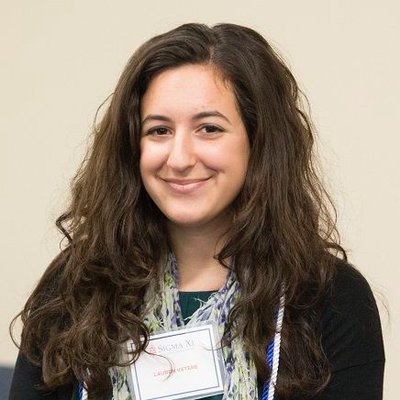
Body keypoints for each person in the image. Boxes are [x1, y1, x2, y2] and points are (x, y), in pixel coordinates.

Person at [9, 23, 384, 400]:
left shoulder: (331, 298)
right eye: (159, 130)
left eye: (208, 128)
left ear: (258, 141)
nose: (180, 158)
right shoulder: (76, 288)